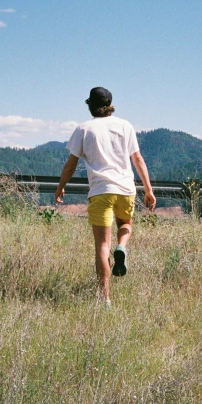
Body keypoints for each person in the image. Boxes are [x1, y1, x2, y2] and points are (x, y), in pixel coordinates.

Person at [55, 87, 156, 306]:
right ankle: (122, 246)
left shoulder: (83, 129)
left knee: (102, 245)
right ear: (110, 104)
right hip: (126, 190)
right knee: (126, 225)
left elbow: (71, 163)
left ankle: (105, 299)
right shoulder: (125, 126)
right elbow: (137, 158)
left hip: (101, 191)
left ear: (90, 105)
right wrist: (148, 188)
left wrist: (61, 186)